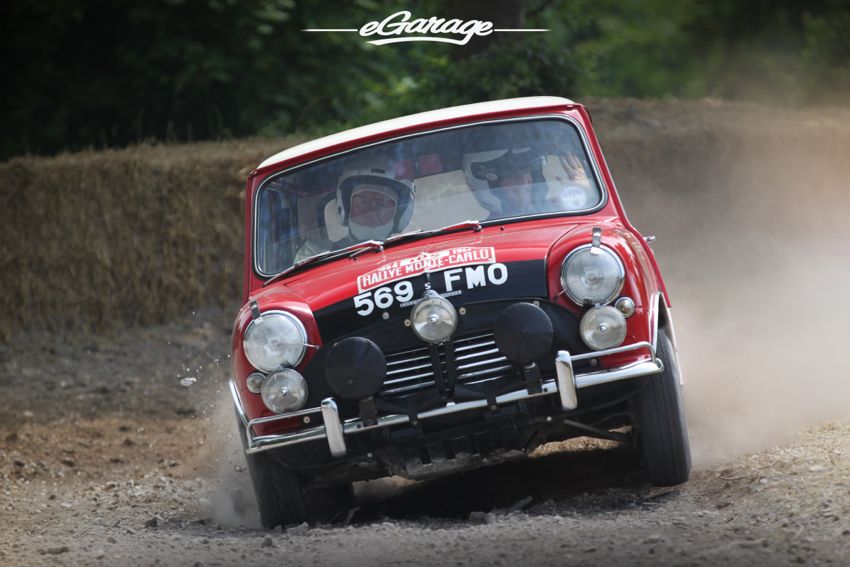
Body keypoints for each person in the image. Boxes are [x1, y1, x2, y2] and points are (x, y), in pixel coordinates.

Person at [294, 153, 415, 261]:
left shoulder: (414, 256)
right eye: (363, 201)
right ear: (345, 207)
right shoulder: (314, 257)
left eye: (381, 204)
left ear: (400, 214)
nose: (371, 211)